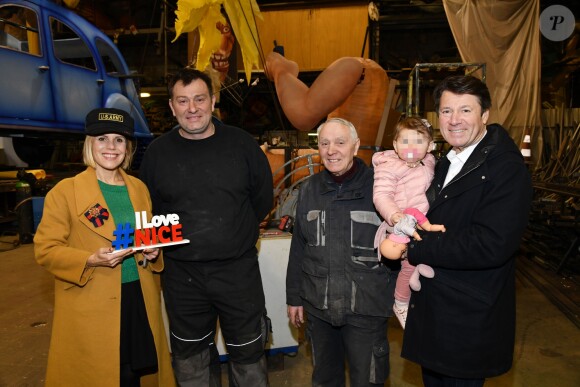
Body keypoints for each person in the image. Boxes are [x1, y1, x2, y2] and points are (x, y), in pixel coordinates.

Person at [139, 67, 274, 386]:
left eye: (199, 99)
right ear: (172, 107)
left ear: (213, 101)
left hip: (237, 273)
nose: (192, 108)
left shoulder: (242, 145)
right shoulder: (157, 153)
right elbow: (150, 209)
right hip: (181, 277)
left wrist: (230, 234)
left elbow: (262, 200)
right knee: (189, 359)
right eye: (182, 101)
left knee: (248, 353)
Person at [400, 75, 533, 386]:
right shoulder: (447, 162)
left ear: (485, 115)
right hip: (435, 311)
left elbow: (491, 243)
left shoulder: (505, 169)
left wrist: (416, 247)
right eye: (446, 111)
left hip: (467, 319)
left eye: (465, 110)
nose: (454, 120)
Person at [34, 108, 175, 387]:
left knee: (137, 374)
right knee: (103, 375)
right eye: (102, 139)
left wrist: (152, 252)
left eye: (119, 140)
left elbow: (146, 238)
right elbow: (46, 249)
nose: (111, 147)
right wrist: (89, 259)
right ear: (89, 144)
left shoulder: (138, 189)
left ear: (128, 148)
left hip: (139, 298)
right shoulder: (65, 192)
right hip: (92, 302)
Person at [286, 117, 398, 386]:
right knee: (325, 379)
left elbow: (401, 245)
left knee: (368, 380)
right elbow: (299, 247)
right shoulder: (310, 189)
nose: (331, 150)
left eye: (340, 142)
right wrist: (294, 297)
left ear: (356, 146)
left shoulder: (380, 188)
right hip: (319, 307)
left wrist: (393, 297)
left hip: (366, 309)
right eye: (324, 143)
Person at [372, 117, 444, 328]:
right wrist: (395, 215)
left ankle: (417, 270)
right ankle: (401, 301)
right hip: (402, 223)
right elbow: (381, 195)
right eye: (405, 142)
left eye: (418, 142)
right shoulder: (389, 166)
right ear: (395, 145)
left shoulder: (429, 161)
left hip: (422, 221)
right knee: (406, 262)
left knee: (423, 254)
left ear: (430, 146)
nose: (411, 148)